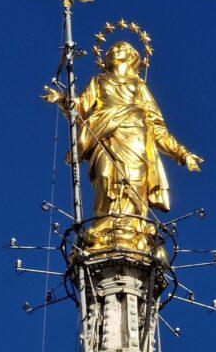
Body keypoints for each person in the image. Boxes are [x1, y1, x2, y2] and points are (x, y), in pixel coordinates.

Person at [44, 40, 203, 251]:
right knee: (104, 177)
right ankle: (103, 227)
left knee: (133, 184)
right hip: (104, 136)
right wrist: (63, 99)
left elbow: (157, 128)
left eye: (122, 48)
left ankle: (134, 229)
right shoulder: (99, 81)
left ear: (132, 57)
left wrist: (183, 154)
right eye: (113, 49)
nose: (116, 50)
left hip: (135, 140)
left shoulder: (139, 86)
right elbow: (79, 107)